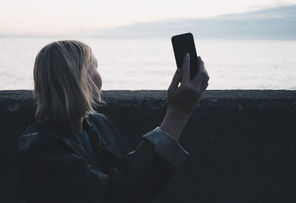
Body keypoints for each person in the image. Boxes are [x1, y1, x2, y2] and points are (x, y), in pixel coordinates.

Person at [17, 40, 209, 203]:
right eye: (94, 67)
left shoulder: (99, 123)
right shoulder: (40, 149)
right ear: (78, 79)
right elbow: (115, 194)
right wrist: (177, 114)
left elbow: (129, 176)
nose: (99, 76)